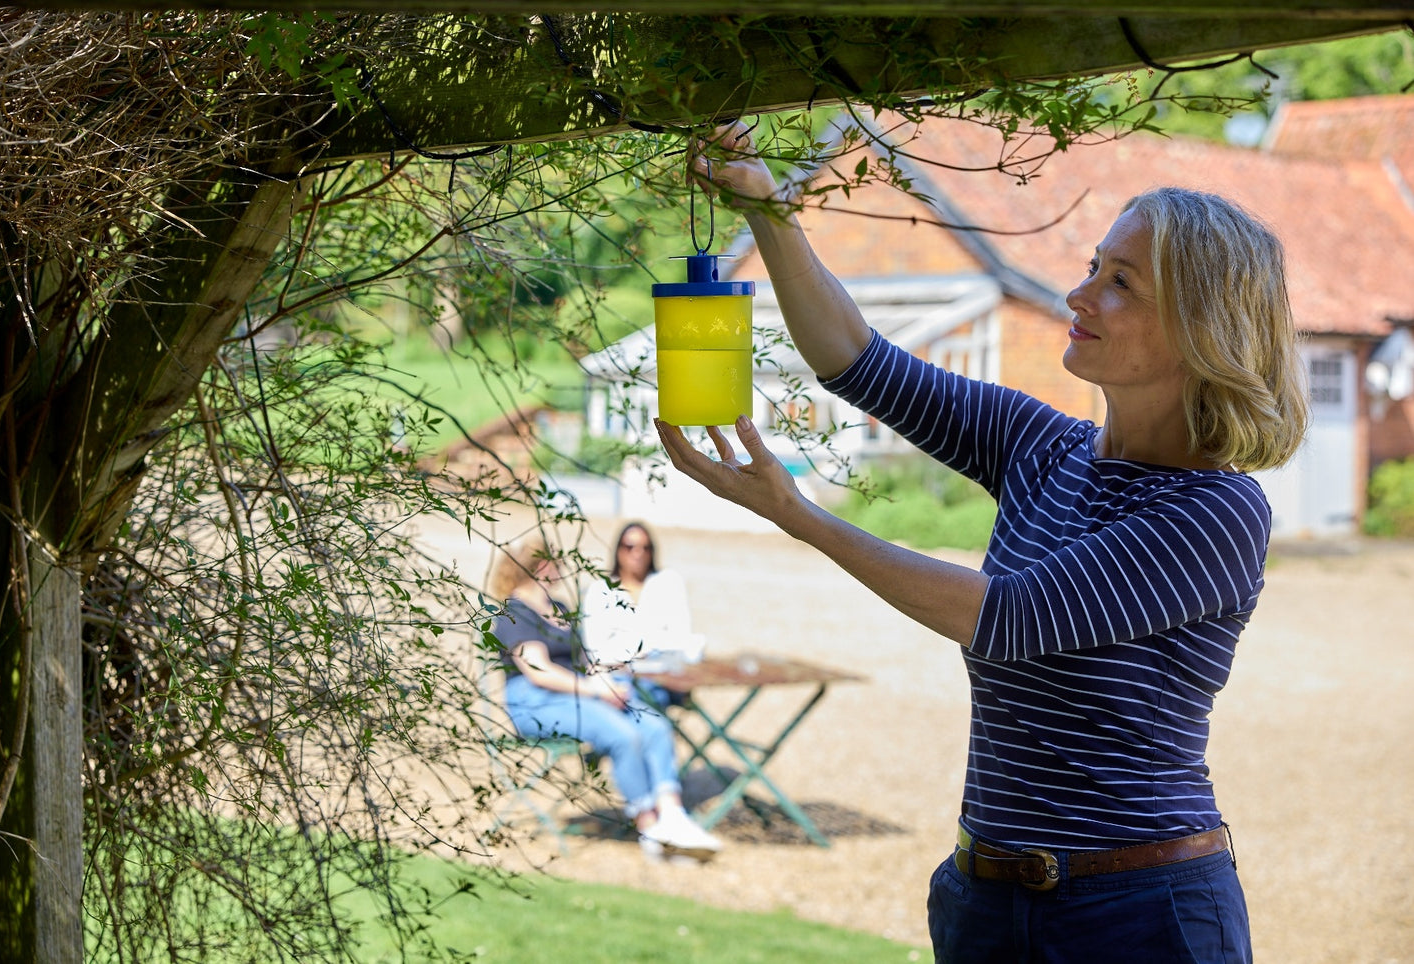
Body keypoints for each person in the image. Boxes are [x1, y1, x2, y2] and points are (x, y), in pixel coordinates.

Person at [654, 121, 1309, 963]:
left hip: (1139, 912)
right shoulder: (1041, 448)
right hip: (985, 902)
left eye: (1119, 282)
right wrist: (767, 207)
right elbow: (853, 358)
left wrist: (799, 514)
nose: (1078, 295)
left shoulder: (1214, 509)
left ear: (1199, 326)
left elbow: (1003, 617)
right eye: (1091, 268)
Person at [487, 532, 722, 862]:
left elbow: (585, 661)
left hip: (578, 693)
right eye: (559, 562)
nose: (563, 569)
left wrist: (608, 683)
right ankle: (650, 828)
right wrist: (593, 689)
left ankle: (672, 814)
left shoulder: (559, 608)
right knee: (622, 734)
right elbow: (538, 670)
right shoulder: (515, 612)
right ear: (542, 565)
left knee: (652, 723)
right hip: (535, 702)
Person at [581, 521, 702, 673]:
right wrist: (652, 645)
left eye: (645, 548)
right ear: (618, 550)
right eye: (630, 547)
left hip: (664, 675)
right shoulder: (600, 590)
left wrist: (627, 645)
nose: (638, 554)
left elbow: (681, 638)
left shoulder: (669, 582)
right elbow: (596, 650)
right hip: (617, 677)